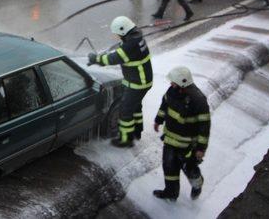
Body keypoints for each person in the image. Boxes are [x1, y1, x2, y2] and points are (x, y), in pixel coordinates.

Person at [88, 16, 153, 147]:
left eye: (117, 34)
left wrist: (96, 59)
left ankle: (126, 139)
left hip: (138, 83)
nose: (116, 36)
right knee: (136, 107)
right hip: (140, 80)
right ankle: (137, 131)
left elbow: (113, 58)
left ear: (123, 31)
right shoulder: (136, 37)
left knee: (125, 110)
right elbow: (121, 52)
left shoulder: (130, 46)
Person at [153, 66, 210, 201]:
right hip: (170, 139)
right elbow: (164, 106)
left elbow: (204, 127)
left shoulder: (198, 100)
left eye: (173, 82)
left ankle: (197, 185)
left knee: (189, 169)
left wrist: (201, 149)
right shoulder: (172, 91)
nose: (170, 84)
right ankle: (171, 193)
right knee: (169, 166)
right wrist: (158, 120)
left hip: (188, 145)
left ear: (182, 82)